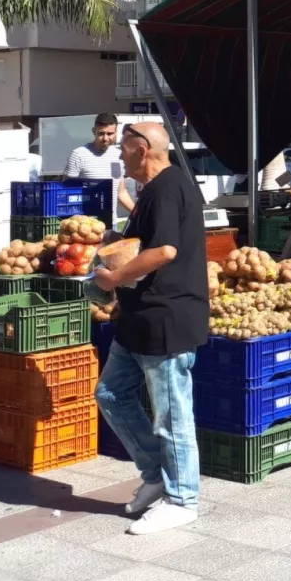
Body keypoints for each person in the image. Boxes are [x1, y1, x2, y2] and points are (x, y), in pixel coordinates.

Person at [93, 122, 207, 534]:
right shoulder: (152, 190)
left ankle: (182, 499)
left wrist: (113, 278)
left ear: (142, 150)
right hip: (139, 318)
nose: (119, 154)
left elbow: (164, 251)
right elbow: (146, 243)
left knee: (171, 415)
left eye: (124, 148)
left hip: (166, 318)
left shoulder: (167, 187)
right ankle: (156, 475)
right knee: (110, 394)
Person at [65, 112, 138, 218]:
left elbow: (121, 192)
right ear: (94, 131)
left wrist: (138, 214)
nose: (105, 138)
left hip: (111, 222)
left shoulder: (119, 156)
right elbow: (67, 192)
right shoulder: (78, 155)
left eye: (110, 134)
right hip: (85, 224)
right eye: (101, 133)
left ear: (116, 132)